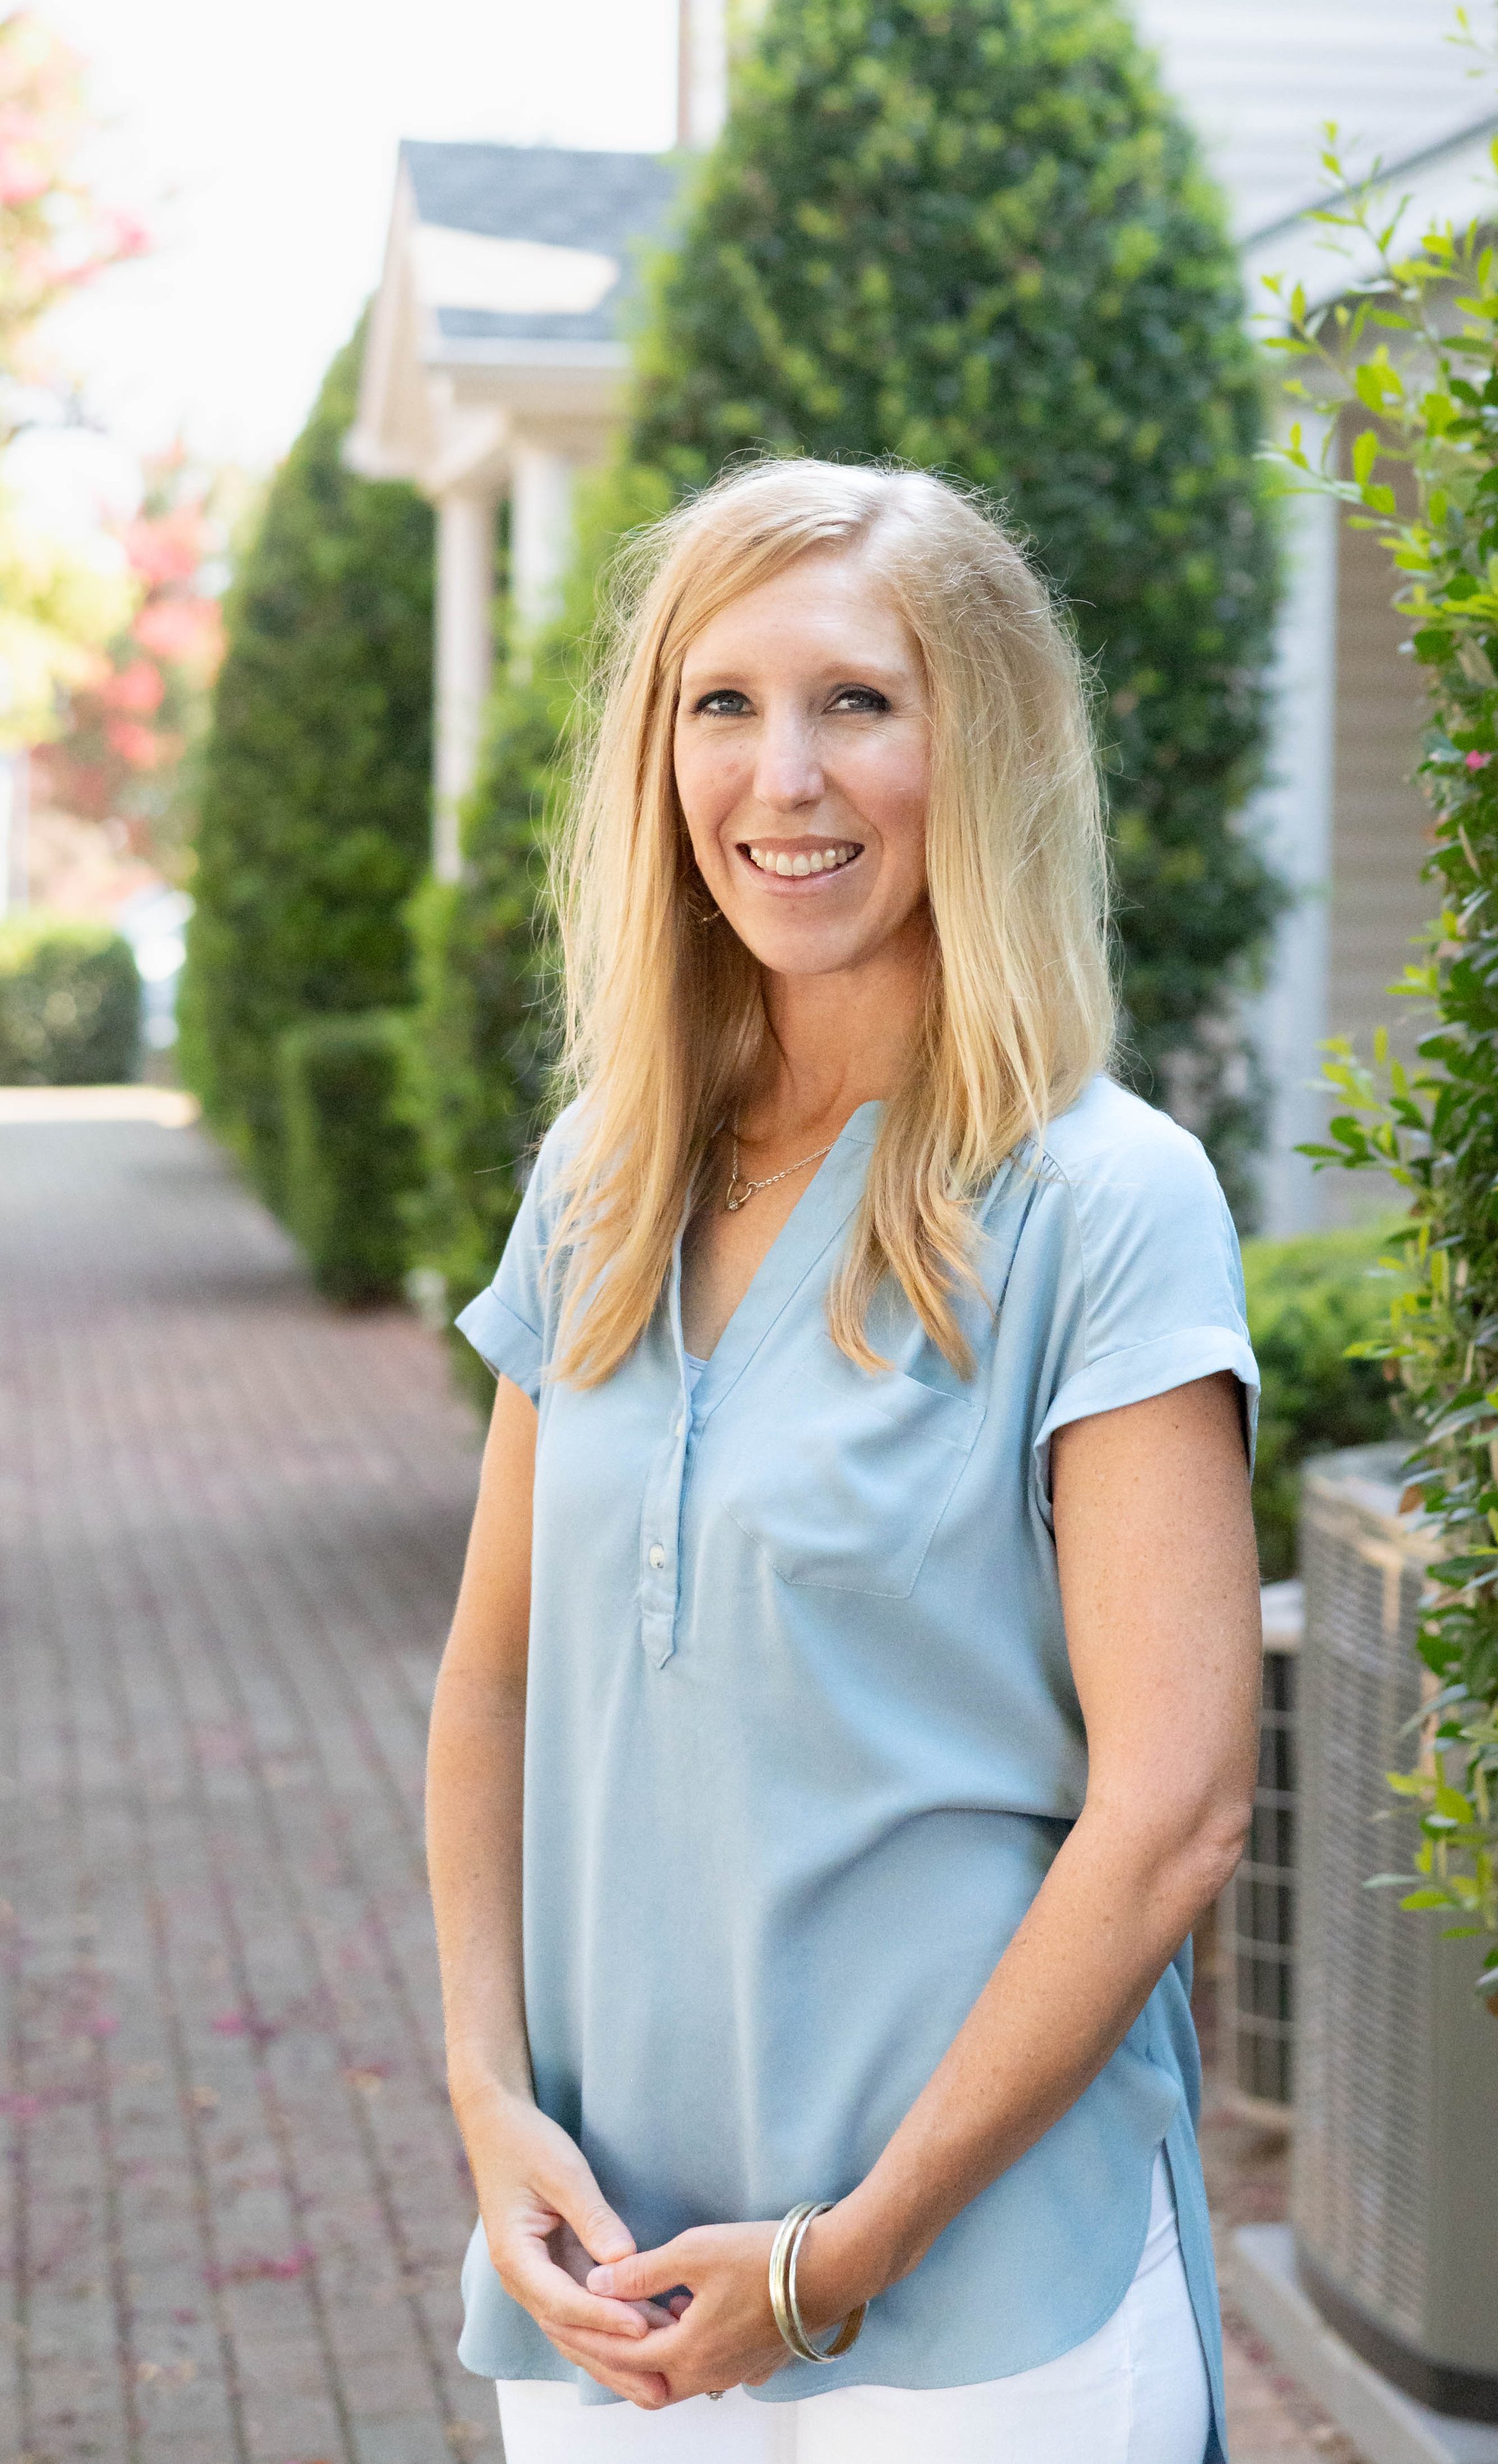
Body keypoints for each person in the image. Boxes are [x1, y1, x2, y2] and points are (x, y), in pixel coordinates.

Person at [424, 458, 1263, 2464]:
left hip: (989, 2292)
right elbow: (493, 1680)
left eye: (857, 703)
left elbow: (1172, 1813)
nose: (780, 777)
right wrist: (487, 2099)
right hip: (621, 2272)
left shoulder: (1102, 1202)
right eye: (721, 703)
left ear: (979, 749)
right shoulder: (601, 1178)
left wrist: (841, 2255)